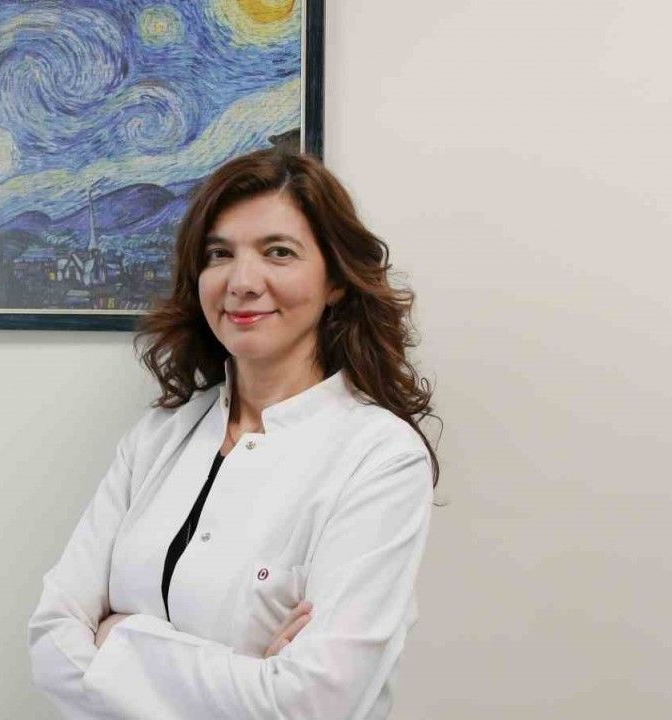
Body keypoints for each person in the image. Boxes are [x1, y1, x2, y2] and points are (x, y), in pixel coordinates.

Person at [27, 148, 441, 719]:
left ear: (336, 281)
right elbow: (51, 642)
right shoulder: (157, 437)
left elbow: (313, 703)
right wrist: (252, 676)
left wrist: (117, 638)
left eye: (278, 252)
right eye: (219, 254)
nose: (242, 282)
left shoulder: (381, 457)